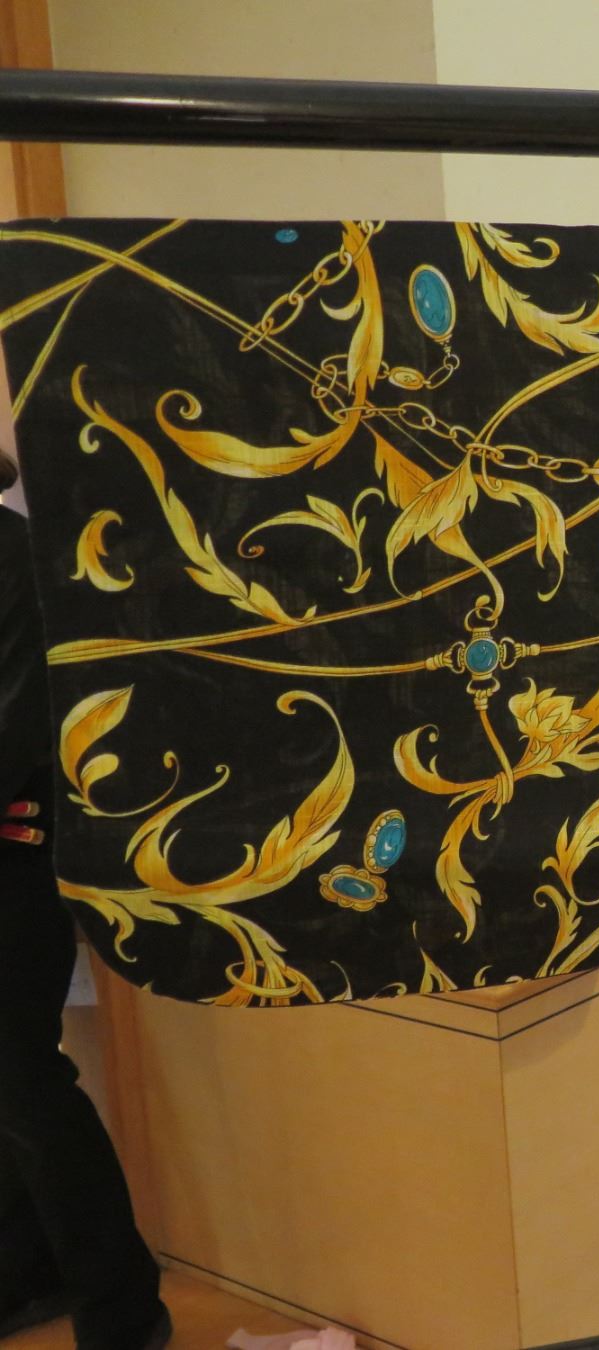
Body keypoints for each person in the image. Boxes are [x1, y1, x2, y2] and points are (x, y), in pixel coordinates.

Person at [0, 446, 170, 1349]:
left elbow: (18, 732)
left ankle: (124, 1310)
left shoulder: (18, 562)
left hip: (14, 861)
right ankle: (30, 1273)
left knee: (25, 1083)